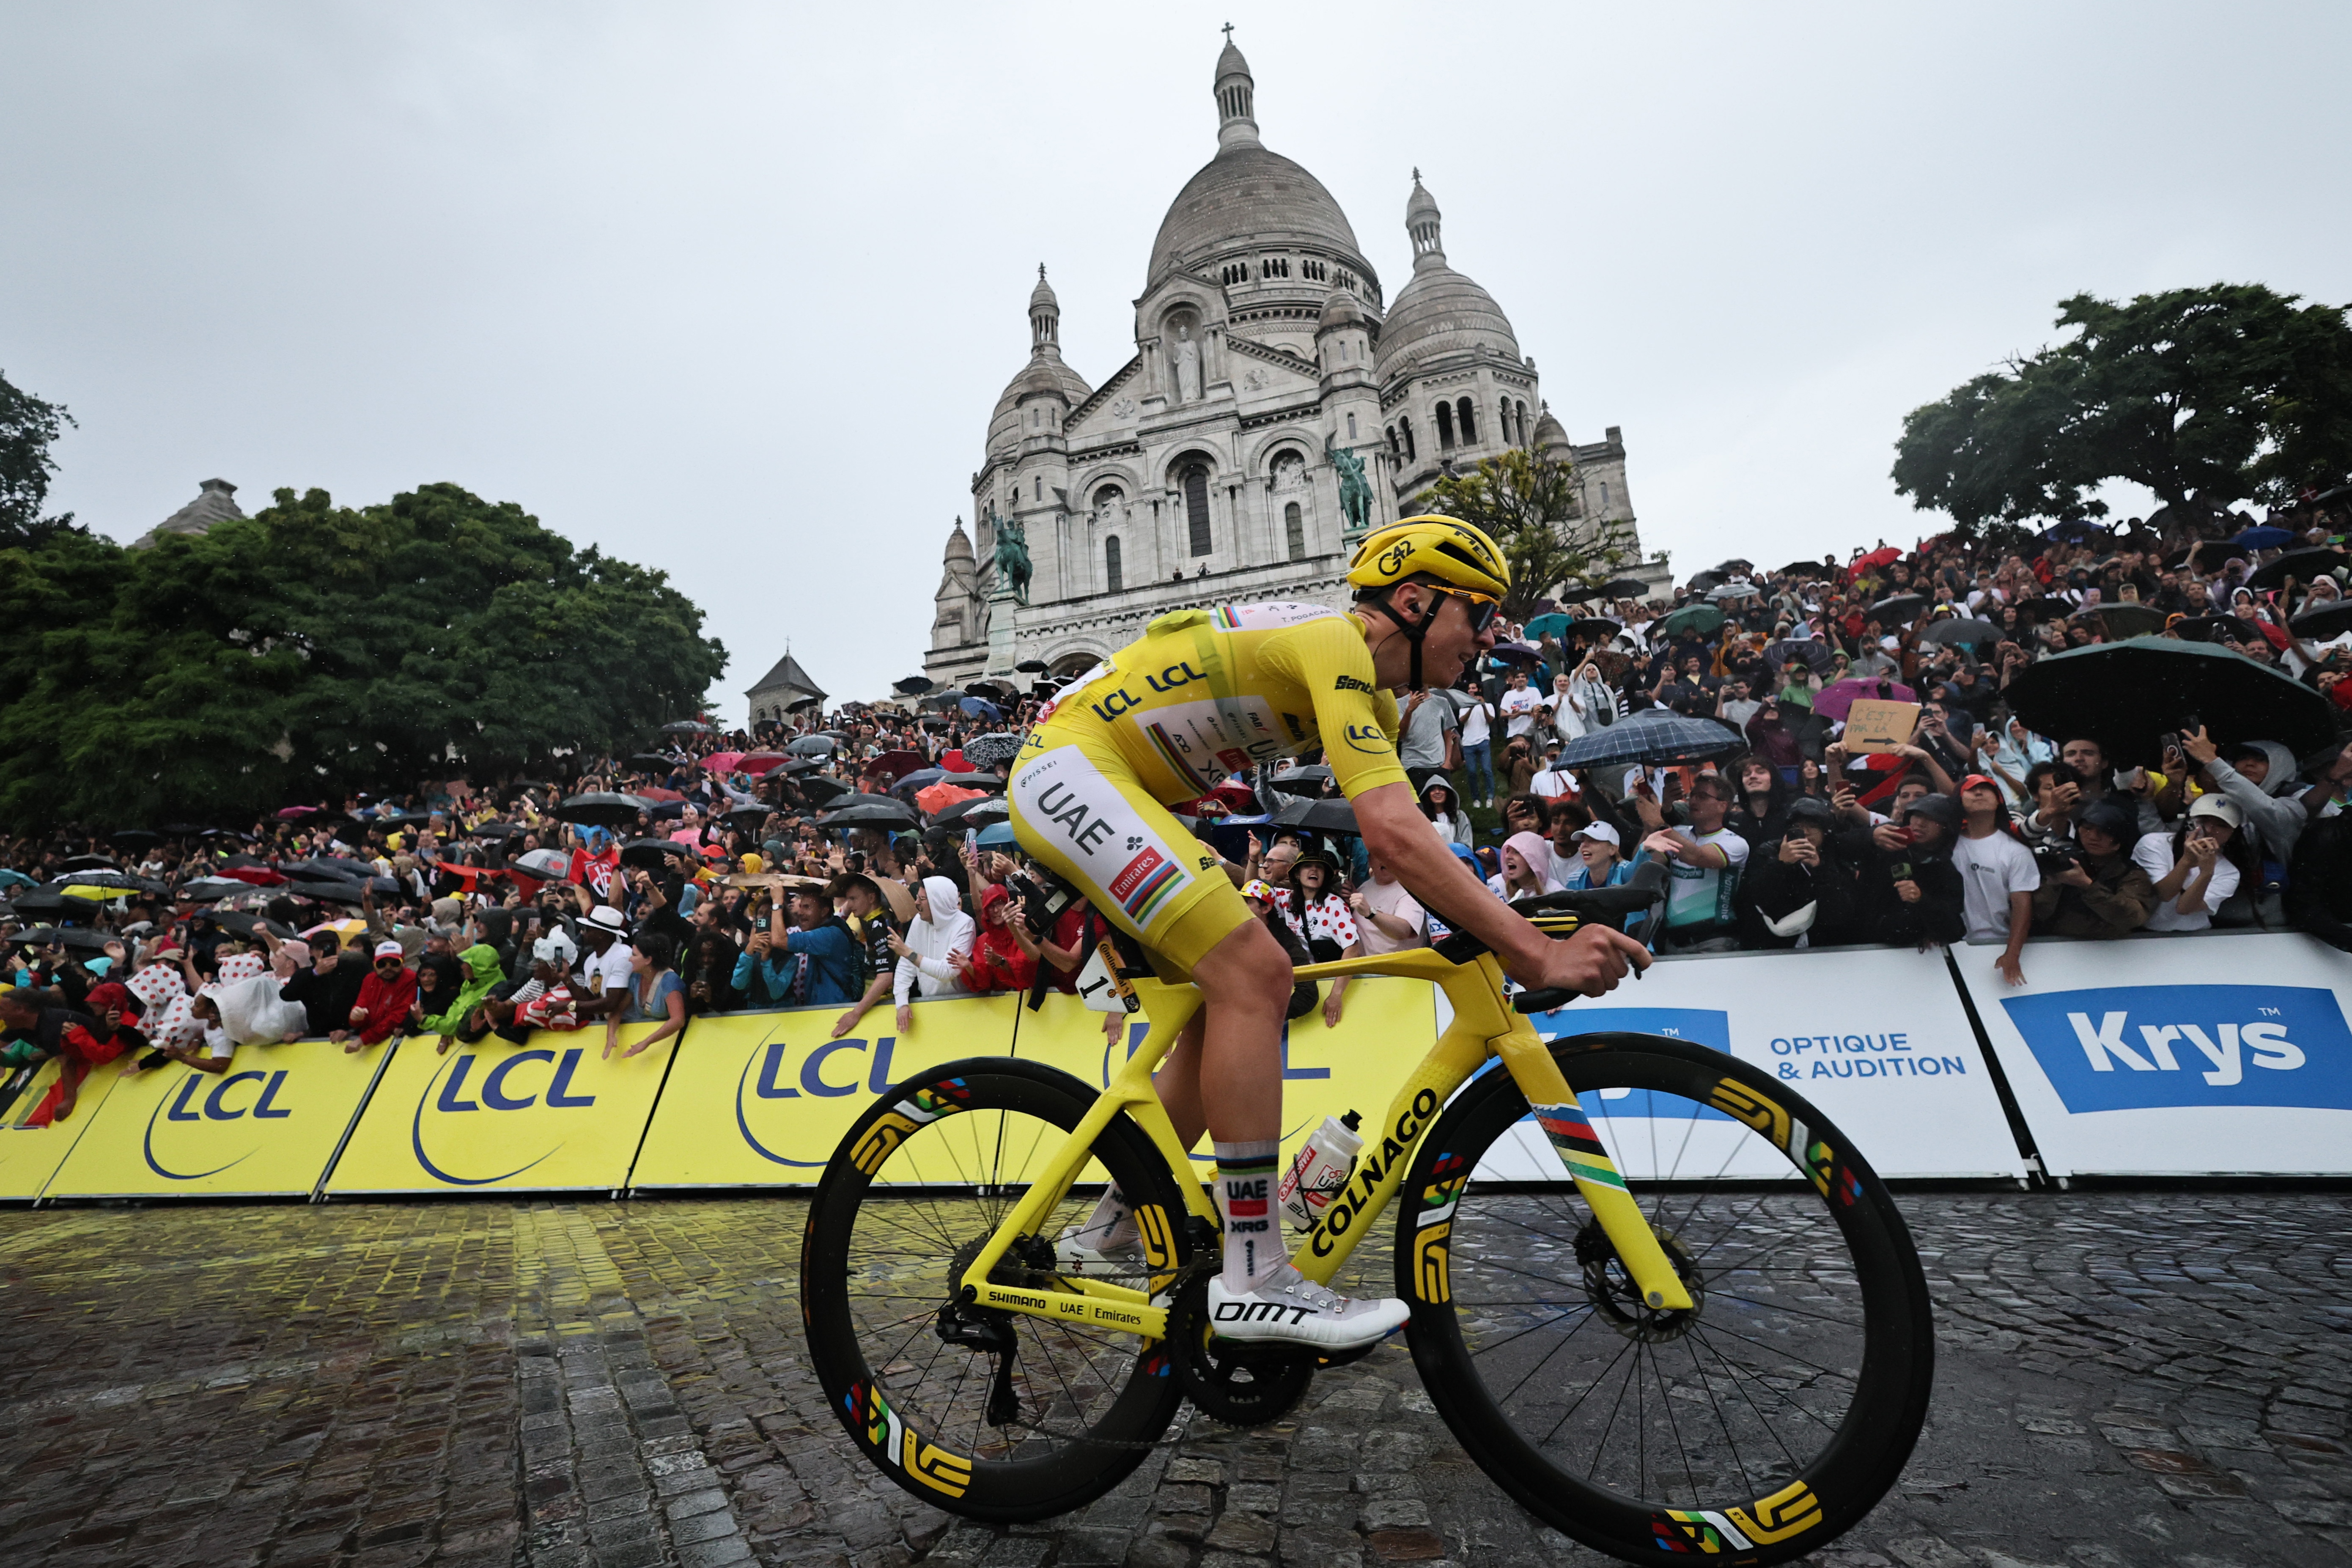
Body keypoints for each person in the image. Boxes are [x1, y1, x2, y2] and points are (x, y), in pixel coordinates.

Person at [1007, 515, 1647, 1351]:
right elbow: (1393, 838)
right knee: (1255, 973)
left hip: (1119, 781)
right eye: (1477, 612)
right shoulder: (1334, 641)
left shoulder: (1374, 696)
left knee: (1219, 1007)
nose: (1490, 637)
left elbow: (1407, 833)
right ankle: (1253, 1272)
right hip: (1070, 764)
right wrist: (1532, 949)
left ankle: (1112, 1221)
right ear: (1413, 601)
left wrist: (1509, 917)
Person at [1638, 774, 1749, 953]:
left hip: (1714, 940)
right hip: (1674, 941)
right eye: (1692, 795)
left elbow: (1698, 857)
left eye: (1703, 797)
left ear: (1723, 806)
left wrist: (1659, 825)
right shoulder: (1679, 832)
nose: (1694, 801)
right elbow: (1646, 864)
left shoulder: (1735, 842)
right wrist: (1649, 825)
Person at [1736, 796, 1862, 950]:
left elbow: (1838, 915)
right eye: (1798, 827)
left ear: (1825, 832)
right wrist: (1781, 864)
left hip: (1825, 948)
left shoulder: (1837, 859)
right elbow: (1757, 900)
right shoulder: (1768, 852)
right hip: (1774, 947)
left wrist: (1820, 870)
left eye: (1813, 826)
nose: (1806, 832)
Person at [1950, 775, 2038, 985]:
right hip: (1951, 947)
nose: (1979, 793)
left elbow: (2022, 905)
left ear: (1999, 799)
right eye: (1971, 790)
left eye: (1985, 789)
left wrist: (2013, 954)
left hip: (1997, 945)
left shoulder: (2016, 852)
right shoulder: (1945, 846)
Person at [1851, 794, 1967, 949]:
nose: (1920, 823)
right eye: (1916, 815)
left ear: (1946, 826)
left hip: (1911, 957)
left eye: (1931, 818)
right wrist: (1870, 837)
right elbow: (1837, 846)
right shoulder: (1885, 843)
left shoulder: (1947, 873)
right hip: (1860, 948)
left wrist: (1921, 900)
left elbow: (1953, 931)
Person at [2029, 800, 2155, 938]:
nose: (2093, 837)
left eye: (2105, 831)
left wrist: (2087, 886)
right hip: (2057, 947)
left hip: (2113, 949)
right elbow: (2035, 914)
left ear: (2120, 838)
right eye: (2088, 828)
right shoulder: (2063, 862)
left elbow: (2132, 918)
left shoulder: (2131, 873)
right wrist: (2053, 884)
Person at [2133, 795, 2247, 933]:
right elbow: (2164, 894)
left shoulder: (2229, 872)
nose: (2210, 830)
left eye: (2222, 826)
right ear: (2188, 822)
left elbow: (2185, 908)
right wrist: (2187, 861)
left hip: (2194, 936)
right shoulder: (2154, 844)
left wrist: (2206, 873)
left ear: (2233, 834)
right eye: (2203, 821)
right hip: (2143, 933)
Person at [886, 875, 975, 1033]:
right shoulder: (918, 921)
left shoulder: (964, 924)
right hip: (928, 1005)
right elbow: (906, 967)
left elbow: (947, 972)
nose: (916, 903)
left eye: (922, 899)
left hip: (962, 1008)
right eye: (917, 898)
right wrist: (902, 1004)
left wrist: (909, 953)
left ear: (938, 902)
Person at [608, 932, 686, 1059]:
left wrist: (646, 1043)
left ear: (648, 960)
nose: (630, 959)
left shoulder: (670, 980)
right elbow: (618, 1010)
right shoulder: (636, 978)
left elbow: (678, 1020)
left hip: (672, 1047)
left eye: (634, 955)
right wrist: (611, 1036)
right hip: (646, 1044)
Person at [340, 941, 417, 1051]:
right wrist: (356, 1018)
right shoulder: (369, 979)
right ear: (374, 964)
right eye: (382, 964)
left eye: (395, 963)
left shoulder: (411, 979)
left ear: (403, 962)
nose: (388, 968)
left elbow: (396, 1018)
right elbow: (360, 1008)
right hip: (370, 1044)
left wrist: (363, 1040)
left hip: (395, 1044)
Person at [1347, 851, 1425, 956]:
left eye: (1390, 855)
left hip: (1395, 968)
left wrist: (1371, 913)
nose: (1386, 860)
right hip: (1363, 967)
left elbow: (1403, 931)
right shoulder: (1365, 887)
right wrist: (1349, 901)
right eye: (1380, 855)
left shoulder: (1410, 889)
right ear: (1370, 861)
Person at [1488, 831, 1564, 900]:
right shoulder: (1495, 885)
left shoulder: (1556, 892)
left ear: (1535, 860)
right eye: (1508, 851)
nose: (1508, 856)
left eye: (1517, 852)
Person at [1419, 778, 1474, 846]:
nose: (1437, 792)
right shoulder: (1422, 818)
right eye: (1433, 790)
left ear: (1448, 793)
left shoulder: (1460, 816)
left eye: (1441, 789)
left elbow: (1467, 843)